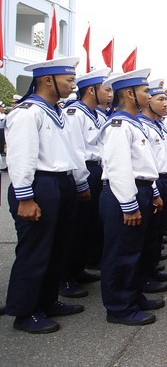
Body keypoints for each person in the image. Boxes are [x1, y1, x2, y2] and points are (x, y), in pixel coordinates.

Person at [5, 57, 87, 334]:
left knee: (56, 248)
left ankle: (47, 300)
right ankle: (25, 311)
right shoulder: (28, 112)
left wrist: (77, 183)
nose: (73, 85)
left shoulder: (57, 111)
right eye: (69, 80)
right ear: (47, 80)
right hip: (39, 185)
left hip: (59, 183)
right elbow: (21, 157)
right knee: (35, 251)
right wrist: (26, 198)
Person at [97, 69, 165, 326]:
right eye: (146, 91)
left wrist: (154, 193)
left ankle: (133, 296)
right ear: (129, 94)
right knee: (121, 252)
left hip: (141, 190)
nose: (150, 95)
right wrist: (129, 206)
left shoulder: (133, 123)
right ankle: (119, 307)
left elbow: (146, 165)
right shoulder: (119, 125)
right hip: (122, 194)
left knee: (134, 249)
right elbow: (119, 169)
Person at [61, 67, 112, 299]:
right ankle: (65, 276)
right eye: (107, 89)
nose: (111, 93)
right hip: (84, 171)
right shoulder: (75, 113)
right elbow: (76, 151)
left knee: (89, 225)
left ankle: (79, 268)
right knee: (75, 227)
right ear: (91, 90)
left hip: (96, 169)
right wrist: (81, 182)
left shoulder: (97, 114)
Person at [137, 79, 167, 291]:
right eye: (160, 99)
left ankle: (151, 271)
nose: (165, 103)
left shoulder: (158, 124)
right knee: (145, 234)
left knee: (155, 232)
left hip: (162, 177)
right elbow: (146, 163)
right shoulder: (141, 124)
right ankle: (144, 277)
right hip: (150, 181)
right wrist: (154, 190)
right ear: (147, 100)